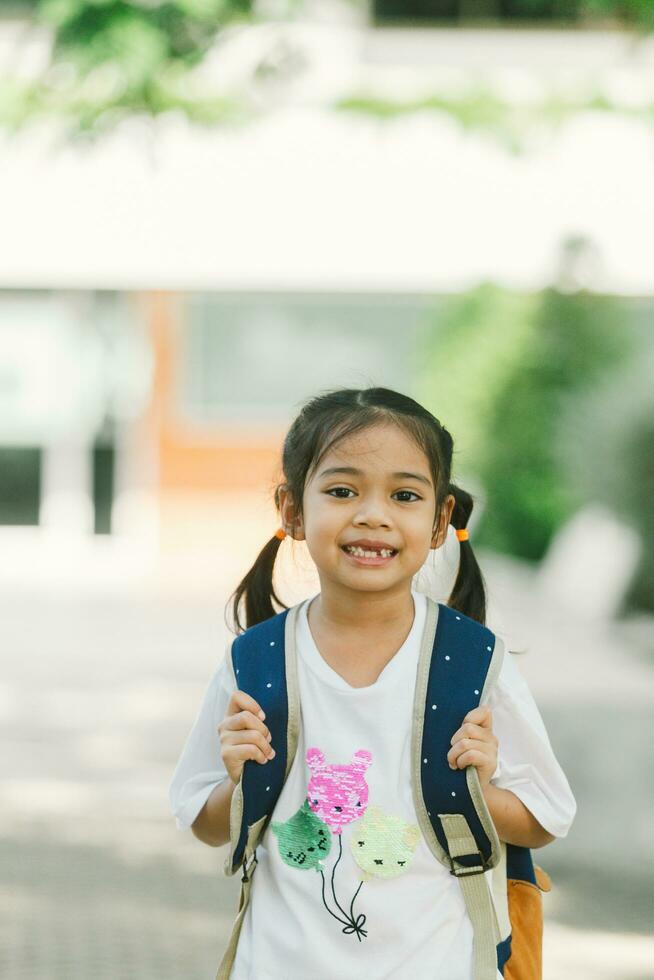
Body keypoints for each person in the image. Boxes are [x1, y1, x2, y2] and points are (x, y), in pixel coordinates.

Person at [169, 386, 577, 980]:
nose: (373, 514)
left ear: (440, 522)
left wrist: (479, 791)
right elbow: (205, 824)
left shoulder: (473, 662)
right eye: (342, 490)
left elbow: (546, 817)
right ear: (292, 511)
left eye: (405, 495)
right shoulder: (255, 662)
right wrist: (238, 782)